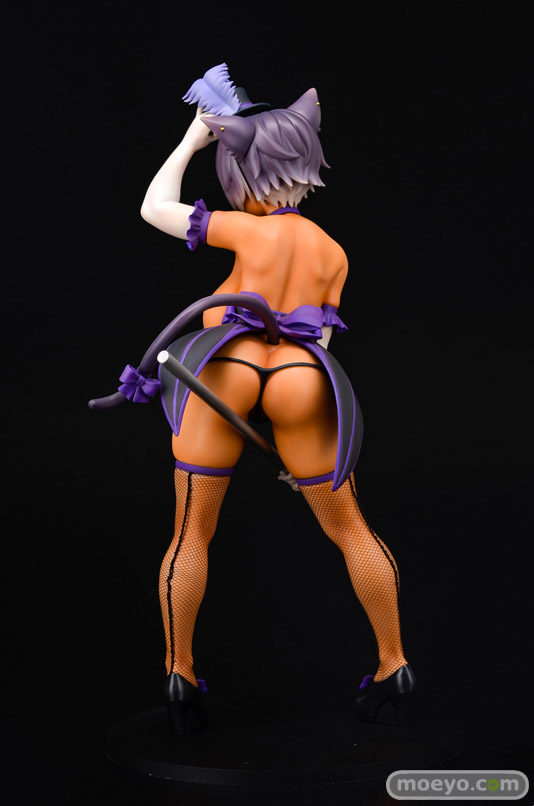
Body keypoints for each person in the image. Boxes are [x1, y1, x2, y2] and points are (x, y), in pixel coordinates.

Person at [139, 64, 415, 734]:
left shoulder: (245, 229)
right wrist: (303, 442)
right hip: (302, 377)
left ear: (240, 171)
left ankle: (179, 671)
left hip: (226, 369)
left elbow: (154, 208)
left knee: (191, 530)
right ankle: (394, 662)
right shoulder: (333, 251)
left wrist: (190, 142)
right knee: (351, 527)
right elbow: (321, 338)